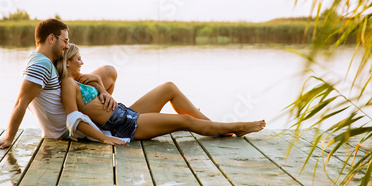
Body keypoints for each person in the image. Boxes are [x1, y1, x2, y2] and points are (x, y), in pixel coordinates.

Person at [59, 43, 266, 145]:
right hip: (124, 127)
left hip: (125, 113)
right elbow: (74, 119)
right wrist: (105, 139)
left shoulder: (81, 80)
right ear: (67, 62)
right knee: (184, 120)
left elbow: (100, 101)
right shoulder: (68, 84)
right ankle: (236, 127)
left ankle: (212, 125)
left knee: (169, 87)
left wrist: (100, 86)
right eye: (78, 59)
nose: (82, 62)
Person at [0, 18, 118, 149]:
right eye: (65, 41)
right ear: (51, 38)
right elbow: (21, 102)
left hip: (72, 108)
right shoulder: (41, 65)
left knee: (108, 72)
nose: (67, 46)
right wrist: (8, 138)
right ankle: (103, 118)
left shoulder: (41, 59)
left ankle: (103, 111)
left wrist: (101, 87)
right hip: (68, 129)